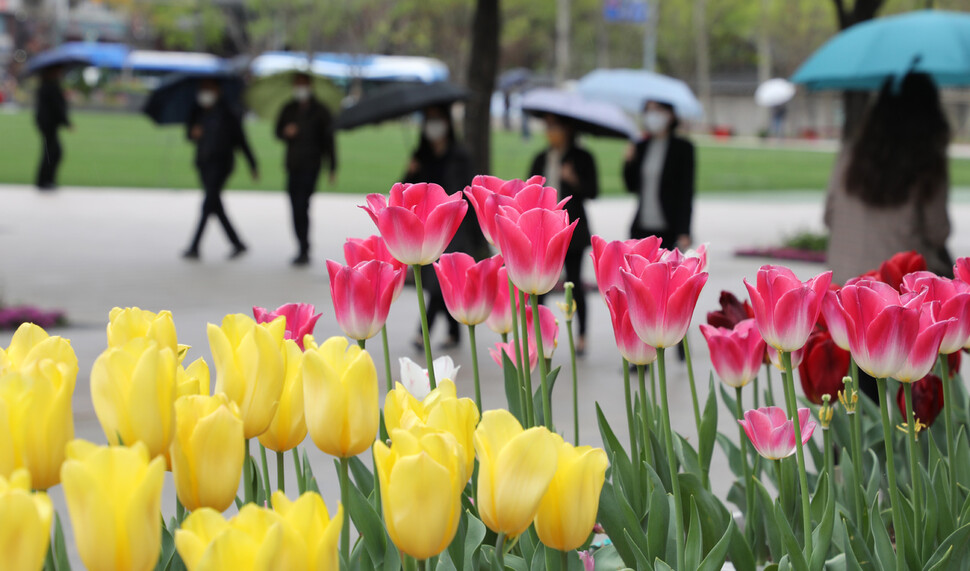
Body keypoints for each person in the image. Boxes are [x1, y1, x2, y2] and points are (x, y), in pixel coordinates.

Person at [824, 72, 952, 284]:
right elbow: (938, 232)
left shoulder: (851, 154)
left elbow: (829, 215)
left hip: (843, 280)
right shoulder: (927, 163)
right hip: (899, 286)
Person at [404, 105, 486, 350]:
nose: (433, 125)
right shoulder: (421, 155)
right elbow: (407, 192)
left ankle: (423, 332)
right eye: (429, 120)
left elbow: (467, 192)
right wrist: (411, 172)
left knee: (440, 280)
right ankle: (454, 333)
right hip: (428, 227)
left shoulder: (460, 156)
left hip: (454, 225)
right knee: (442, 279)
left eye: (437, 119)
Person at [528, 114, 598, 355]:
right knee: (539, 284)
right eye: (548, 126)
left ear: (567, 128)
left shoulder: (582, 157)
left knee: (575, 283)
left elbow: (593, 191)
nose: (551, 131)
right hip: (544, 231)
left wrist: (573, 180)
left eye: (555, 126)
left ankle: (582, 335)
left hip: (572, 230)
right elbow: (529, 190)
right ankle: (539, 336)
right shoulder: (541, 157)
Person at [183, 78, 259, 261]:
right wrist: (193, 134)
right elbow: (189, 135)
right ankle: (237, 243)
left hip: (222, 164)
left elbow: (241, 141)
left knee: (208, 203)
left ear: (218, 91)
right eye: (203, 89)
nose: (205, 93)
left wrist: (252, 164)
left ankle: (194, 246)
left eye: (209, 89)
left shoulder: (228, 114)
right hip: (203, 163)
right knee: (215, 205)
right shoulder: (197, 111)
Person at [275, 72, 337, 266]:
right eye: (297, 84)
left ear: (310, 86)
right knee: (295, 206)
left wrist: (332, 166)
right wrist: (286, 132)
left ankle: (304, 248)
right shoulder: (289, 108)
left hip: (312, 164)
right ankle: (301, 244)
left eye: (303, 84)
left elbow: (329, 140)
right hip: (293, 164)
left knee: (303, 204)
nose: (300, 88)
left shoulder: (321, 110)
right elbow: (277, 132)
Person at [622, 99, 696, 251]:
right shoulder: (641, 146)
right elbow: (631, 186)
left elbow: (685, 191)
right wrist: (628, 162)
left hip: (669, 228)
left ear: (670, 115)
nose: (652, 115)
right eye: (648, 110)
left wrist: (684, 231)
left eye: (657, 109)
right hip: (642, 226)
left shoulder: (683, 148)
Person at [34, 65, 71, 190]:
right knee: (53, 152)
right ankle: (45, 180)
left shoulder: (47, 85)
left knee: (52, 151)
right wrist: (66, 122)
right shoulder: (51, 86)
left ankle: (46, 180)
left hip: (46, 123)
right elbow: (57, 107)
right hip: (48, 123)